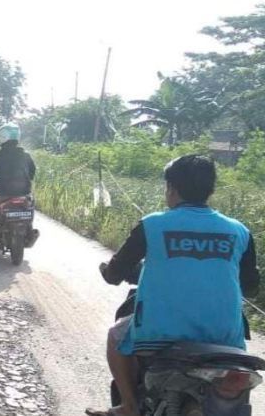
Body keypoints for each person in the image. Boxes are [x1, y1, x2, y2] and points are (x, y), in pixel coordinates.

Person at [86, 155, 260, 416]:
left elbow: (114, 274)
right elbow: (250, 288)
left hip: (159, 335)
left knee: (115, 336)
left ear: (171, 188)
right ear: (210, 190)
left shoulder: (153, 224)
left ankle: (130, 406)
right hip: (225, 338)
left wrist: (107, 270)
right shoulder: (239, 231)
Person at [0, 123, 36, 245]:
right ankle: (29, 230)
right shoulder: (26, 155)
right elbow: (32, 172)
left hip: (3, 194)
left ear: (3, 137)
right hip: (23, 193)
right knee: (30, 205)